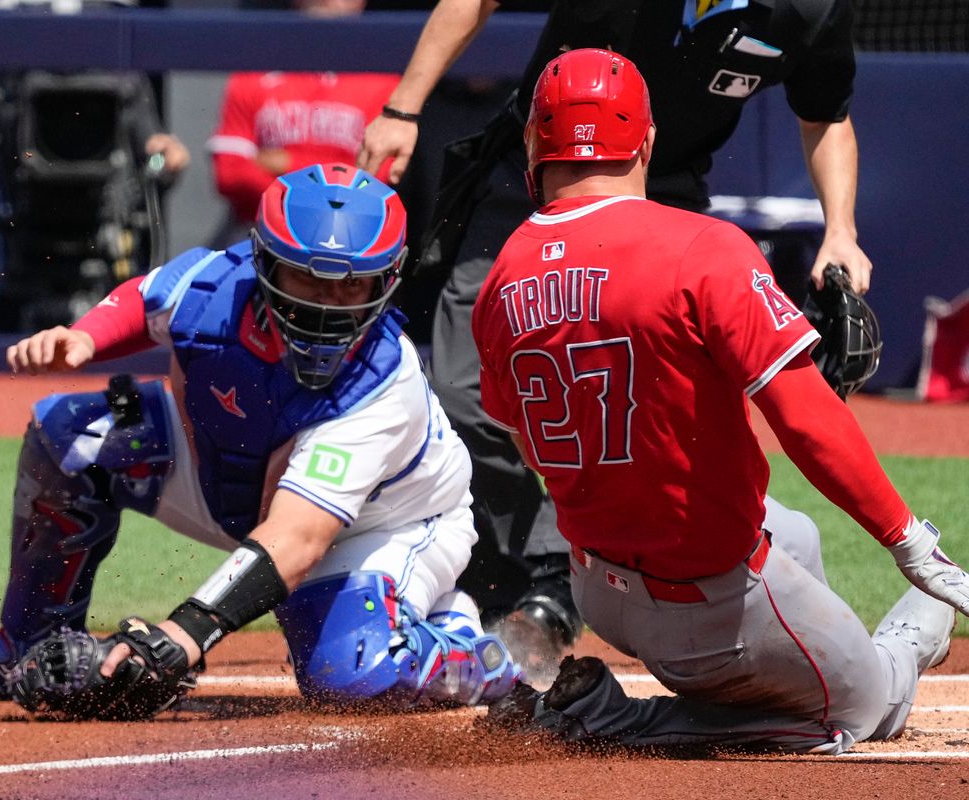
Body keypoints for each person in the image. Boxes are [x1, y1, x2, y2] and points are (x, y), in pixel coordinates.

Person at [356, 0, 873, 681]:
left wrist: (842, 228)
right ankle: (554, 567)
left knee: (667, 409)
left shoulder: (806, 12)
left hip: (664, 192)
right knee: (461, 387)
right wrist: (403, 107)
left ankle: (664, 570)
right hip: (537, 172)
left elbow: (826, 116)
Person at [471, 49, 966, 754]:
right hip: (708, 613)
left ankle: (803, 652)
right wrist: (908, 540)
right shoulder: (700, 247)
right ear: (645, 141)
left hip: (599, 589)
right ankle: (613, 720)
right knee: (863, 714)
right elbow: (805, 416)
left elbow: (527, 443)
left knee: (797, 534)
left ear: (533, 147)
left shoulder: (500, 280)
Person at [0, 162, 520, 712]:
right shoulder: (212, 287)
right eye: (310, 280)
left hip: (376, 526)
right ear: (265, 263)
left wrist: (179, 640)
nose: (331, 304)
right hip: (223, 476)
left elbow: (297, 539)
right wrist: (85, 339)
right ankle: (25, 642)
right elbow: (143, 300)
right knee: (67, 435)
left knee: (350, 676)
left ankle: (467, 648)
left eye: (352, 284)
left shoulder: (384, 385)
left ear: (386, 278)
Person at [0, 49, 189, 332]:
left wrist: (168, 161)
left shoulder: (124, 84)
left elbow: (155, 167)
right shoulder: (8, 83)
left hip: (106, 262)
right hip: (27, 263)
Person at [206, 0, 400, 246]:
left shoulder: (384, 80)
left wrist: (288, 162)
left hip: (346, 239)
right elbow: (230, 173)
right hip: (259, 234)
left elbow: (374, 182)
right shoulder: (256, 68)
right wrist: (335, 169)